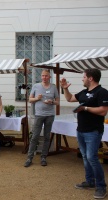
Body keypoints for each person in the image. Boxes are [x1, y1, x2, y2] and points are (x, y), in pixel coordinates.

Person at [60, 68, 108, 199]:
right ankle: (90, 181)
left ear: (90, 78)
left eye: (84, 77)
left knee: (92, 158)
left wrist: (85, 108)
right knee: (86, 157)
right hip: (81, 130)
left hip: (93, 131)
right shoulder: (83, 92)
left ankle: (101, 187)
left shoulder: (102, 92)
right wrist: (65, 88)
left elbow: (103, 111)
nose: (82, 79)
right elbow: (69, 98)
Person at [24, 69, 59, 167]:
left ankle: (43, 157)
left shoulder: (53, 87)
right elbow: (30, 99)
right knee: (35, 136)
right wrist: (37, 98)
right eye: (43, 75)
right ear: (41, 76)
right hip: (39, 114)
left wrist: (51, 102)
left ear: (50, 77)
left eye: (46, 76)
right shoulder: (36, 86)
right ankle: (29, 158)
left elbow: (57, 102)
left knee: (47, 137)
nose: (44, 77)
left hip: (50, 115)